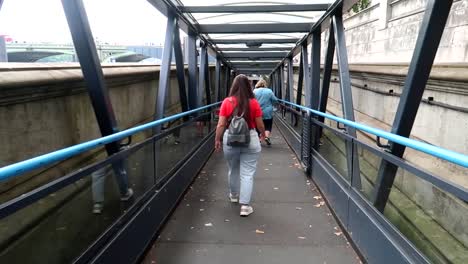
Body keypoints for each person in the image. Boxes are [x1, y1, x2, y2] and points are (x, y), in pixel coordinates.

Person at [215, 75, 265, 217]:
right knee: (247, 173)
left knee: (233, 169)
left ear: (234, 86)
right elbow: (260, 124)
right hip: (250, 138)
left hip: (230, 139)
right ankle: (245, 206)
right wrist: (263, 134)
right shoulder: (253, 102)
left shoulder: (227, 102)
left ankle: (233, 195)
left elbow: (221, 124)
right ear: (249, 87)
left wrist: (217, 139)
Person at [253, 79, 278, 145]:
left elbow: (251, 100)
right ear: (265, 84)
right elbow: (275, 100)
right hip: (267, 111)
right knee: (268, 124)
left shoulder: (254, 91)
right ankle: (266, 136)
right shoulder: (269, 91)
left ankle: (259, 139)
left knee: (257, 124)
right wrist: (272, 104)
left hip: (257, 110)